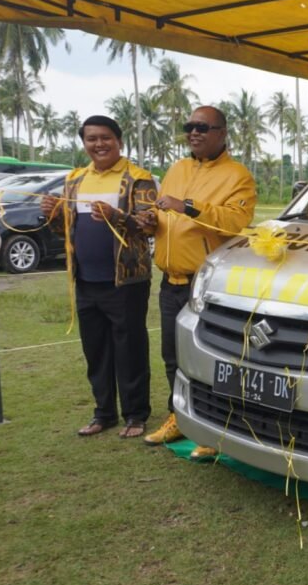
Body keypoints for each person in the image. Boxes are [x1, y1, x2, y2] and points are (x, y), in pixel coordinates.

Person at [140, 106, 257, 459]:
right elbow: (165, 218)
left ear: (222, 132)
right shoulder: (177, 169)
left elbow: (235, 223)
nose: (194, 133)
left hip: (206, 285)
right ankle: (178, 417)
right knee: (172, 357)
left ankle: (215, 431)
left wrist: (188, 206)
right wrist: (151, 222)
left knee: (211, 360)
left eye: (203, 127)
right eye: (189, 126)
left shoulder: (238, 176)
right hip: (170, 282)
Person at [40, 115, 155, 438]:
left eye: (105, 137)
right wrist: (51, 214)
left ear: (119, 141)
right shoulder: (75, 179)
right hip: (86, 280)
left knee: (130, 349)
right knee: (96, 351)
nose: (99, 144)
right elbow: (64, 228)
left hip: (126, 281)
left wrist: (117, 216)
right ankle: (103, 414)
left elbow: (149, 224)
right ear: (84, 143)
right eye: (91, 139)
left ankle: (135, 415)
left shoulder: (137, 178)